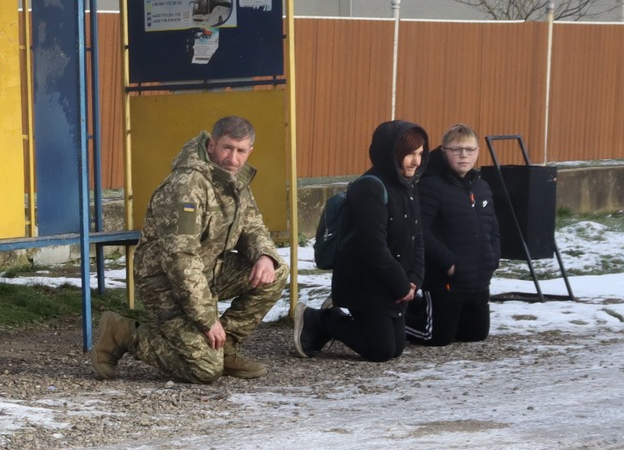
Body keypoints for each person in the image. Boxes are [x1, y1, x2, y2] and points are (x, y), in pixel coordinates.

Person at [91, 114, 282, 382]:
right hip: (165, 284)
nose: (233, 158)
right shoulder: (187, 186)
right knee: (204, 371)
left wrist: (264, 256)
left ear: (250, 151)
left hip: (205, 274)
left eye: (241, 151)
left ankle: (224, 348)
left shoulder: (233, 181)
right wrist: (207, 320)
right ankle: (122, 332)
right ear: (212, 144)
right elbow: (181, 260)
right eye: (227, 148)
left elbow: (252, 227)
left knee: (275, 272)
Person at [297, 119, 428, 363]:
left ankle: (334, 323)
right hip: (366, 282)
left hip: (394, 283)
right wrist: (401, 285)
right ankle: (320, 319)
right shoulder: (370, 187)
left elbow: (417, 236)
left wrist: (414, 280)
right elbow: (373, 246)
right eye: (409, 154)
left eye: (420, 153)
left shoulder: (409, 185)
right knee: (381, 350)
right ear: (390, 153)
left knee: (396, 347)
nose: (416, 161)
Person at [407, 125, 501, 346]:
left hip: (478, 281)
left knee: (475, 334)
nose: (463, 155)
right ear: (444, 152)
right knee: (437, 337)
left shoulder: (482, 187)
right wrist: (448, 262)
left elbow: (494, 228)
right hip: (444, 281)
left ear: (478, 152)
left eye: (469, 150)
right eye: (456, 149)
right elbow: (420, 230)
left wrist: (493, 258)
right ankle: (393, 319)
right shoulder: (430, 185)